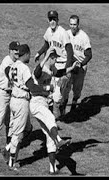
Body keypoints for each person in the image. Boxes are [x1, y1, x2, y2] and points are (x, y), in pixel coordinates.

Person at [30, 47, 78, 175]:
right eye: (55, 58)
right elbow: (36, 73)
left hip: (45, 103)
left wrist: (71, 68)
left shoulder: (51, 68)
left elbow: (59, 72)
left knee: (49, 136)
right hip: (37, 102)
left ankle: (52, 169)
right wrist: (45, 57)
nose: (56, 60)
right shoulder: (41, 68)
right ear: (50, 58)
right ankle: (59, 139)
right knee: (51, 120)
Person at [34, 10, 74, 120]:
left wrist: (67, 68)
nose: (52, 21)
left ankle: (60, 107)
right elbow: (46, 44)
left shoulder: (62, 33)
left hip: (62, 64)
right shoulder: (48, 31)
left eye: (54, 19)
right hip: (53, 64)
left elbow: (69, 50)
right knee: (55, 90)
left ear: (57, 20)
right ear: (48, 20)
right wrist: (39, 53)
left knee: (60, 93)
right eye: (50, 19)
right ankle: (55, 110)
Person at [5, 44, 33, 171]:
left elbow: (8, 74)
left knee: (28, 128)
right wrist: (46, 90)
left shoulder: (13, 65)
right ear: (26, 54)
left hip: (13, 100)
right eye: (29, 54)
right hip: (21, 102)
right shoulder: (24, 68)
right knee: (18, 134)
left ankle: (7, 148)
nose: (30, 56)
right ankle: (11, 162)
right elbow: (31, 85)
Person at [64, 14, 92, 112]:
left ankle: (73, 109)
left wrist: (82, 64)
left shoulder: (84, 37)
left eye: (74, 24)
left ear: (78, 24)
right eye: (71, 24)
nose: (72, 27)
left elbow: (89, 55)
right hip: (69, 66)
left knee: (77, 90)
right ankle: (62, 110)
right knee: (65, 88)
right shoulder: (66, 34)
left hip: (80, 67)